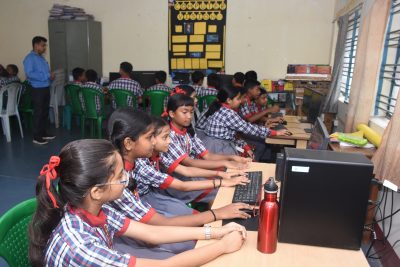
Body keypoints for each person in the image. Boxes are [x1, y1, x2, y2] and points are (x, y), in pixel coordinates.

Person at [28, 139, 246, 266]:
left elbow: (153, 233)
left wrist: (215, 233)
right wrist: (223, 246)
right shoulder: (79, 246)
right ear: (96, 191)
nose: (127, 179)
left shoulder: (94, 210)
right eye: (120, 175)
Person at [160, 93, 250, 203]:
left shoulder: (187, 131)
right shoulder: (169, 136)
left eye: (191, 112)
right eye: (184, 112)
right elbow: (190, 163)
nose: (189, 116)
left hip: (191, 175)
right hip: (178, 182)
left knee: (228, 180)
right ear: (172, 113)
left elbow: (207, 155)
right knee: (224, 190)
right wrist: (225, 163)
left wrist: (232, 158)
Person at [200, 86, 290, 156]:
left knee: (248, 153)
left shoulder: (219, 108)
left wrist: (245, 146)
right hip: (219, 149)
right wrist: (275, 133)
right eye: (238, 99)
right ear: (229, 100)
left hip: (215, 146)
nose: (240, 102)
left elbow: (232, 135)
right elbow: (248, 128)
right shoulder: (228, 113)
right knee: (246, 160)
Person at [23, 36, 55, 145]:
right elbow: (30, 74)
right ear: (36, 45)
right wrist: (47, 75)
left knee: (44, 111)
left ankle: (43, 132)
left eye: (44, 45)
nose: (44, 47)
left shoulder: (41, 58)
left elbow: (45, 73)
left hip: (45, 87)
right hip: (37, 89)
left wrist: (50, 76)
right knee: (39, 112)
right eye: (42, 45)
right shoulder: (29, 58)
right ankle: (36, 136)